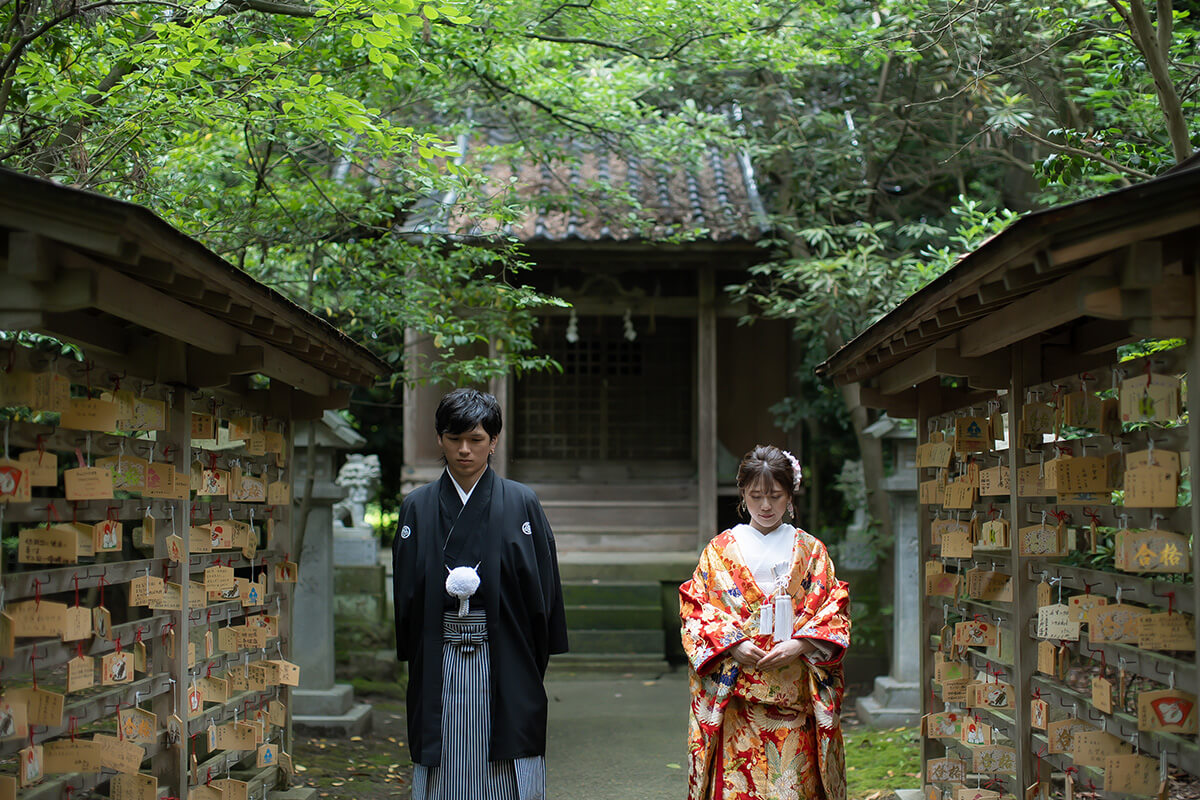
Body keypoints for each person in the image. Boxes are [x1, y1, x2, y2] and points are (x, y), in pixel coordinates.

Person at [393, 388, 569, 800]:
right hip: (441, 651)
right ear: (440, 439)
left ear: (494, 441)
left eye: (476, 439)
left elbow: (543, 587)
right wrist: (414, 649)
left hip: (505, 648)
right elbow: (406, 592)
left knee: (508, 746)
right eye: (455, 439)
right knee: (445, 748)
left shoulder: (522, 502)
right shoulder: (416, 507)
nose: (465, 450)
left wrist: (535, 649)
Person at [680, 445, 851, 800]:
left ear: (790, 494)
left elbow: (834, 607)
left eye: (775, 495)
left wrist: (802, 644)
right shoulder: (720, 549)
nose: (766, 506)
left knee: (792, 786)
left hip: (796, 696)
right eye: (756, 496)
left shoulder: (811, 550)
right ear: (742, 494)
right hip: (737, 696)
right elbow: (697, 607)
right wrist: (734, 644)